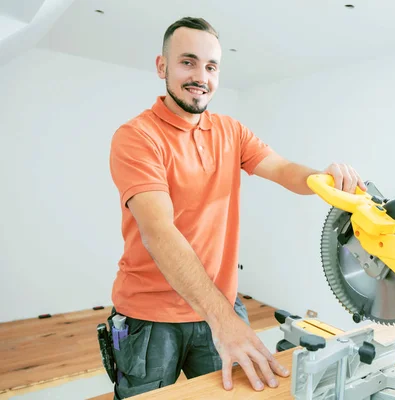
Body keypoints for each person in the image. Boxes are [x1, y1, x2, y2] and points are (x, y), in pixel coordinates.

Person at [107, 16, 366, 399]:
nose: (201, 76)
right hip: (150, 318)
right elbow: (158, 232)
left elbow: (282, 168)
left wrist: (324, 179)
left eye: (211, 67)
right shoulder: (137, 137)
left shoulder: (231, 131)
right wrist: (224, 320)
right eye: (188, 62)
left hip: (220, 305)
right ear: (162, 67)